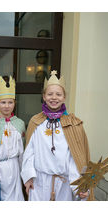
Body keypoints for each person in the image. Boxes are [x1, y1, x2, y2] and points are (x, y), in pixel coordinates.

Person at [21, 70, 94, 201]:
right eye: (50, 94)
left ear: (64, 97)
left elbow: (75, 158)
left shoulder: (73, 124)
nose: (54, 98)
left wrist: (79, 186)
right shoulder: (36, 122)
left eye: (58, 94)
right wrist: (28, 177)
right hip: (39, 182)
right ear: (44, 96)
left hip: (65, 183)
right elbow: (29, 153)